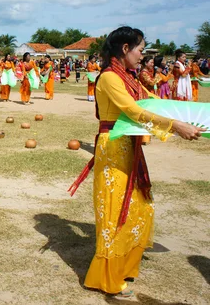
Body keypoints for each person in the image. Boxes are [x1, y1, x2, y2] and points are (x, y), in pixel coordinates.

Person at [68, 26, 204, 298]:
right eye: (141, 50)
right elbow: (132, 110)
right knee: (116, 210)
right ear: (125, 48)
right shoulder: (108, 77)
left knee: (139, 207)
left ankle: (125, 266)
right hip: (114, 147)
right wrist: (174, 125)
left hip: (128, 147)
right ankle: (106, 278)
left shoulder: (127, 77)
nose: (143, 56)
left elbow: (150, 100)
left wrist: (187, 114)